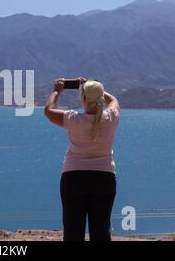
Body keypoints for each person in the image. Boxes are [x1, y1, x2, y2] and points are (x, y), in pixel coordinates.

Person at [44, 77, 120, 241]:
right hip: (104, 178)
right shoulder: (112, 118)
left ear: (83, 98)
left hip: (73, 179)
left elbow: (49, 110)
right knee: (101, 232)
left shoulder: (72, 119)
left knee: (72, 232)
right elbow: (113, 100)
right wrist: (94, 89)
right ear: (100, 98)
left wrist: (57, 90)